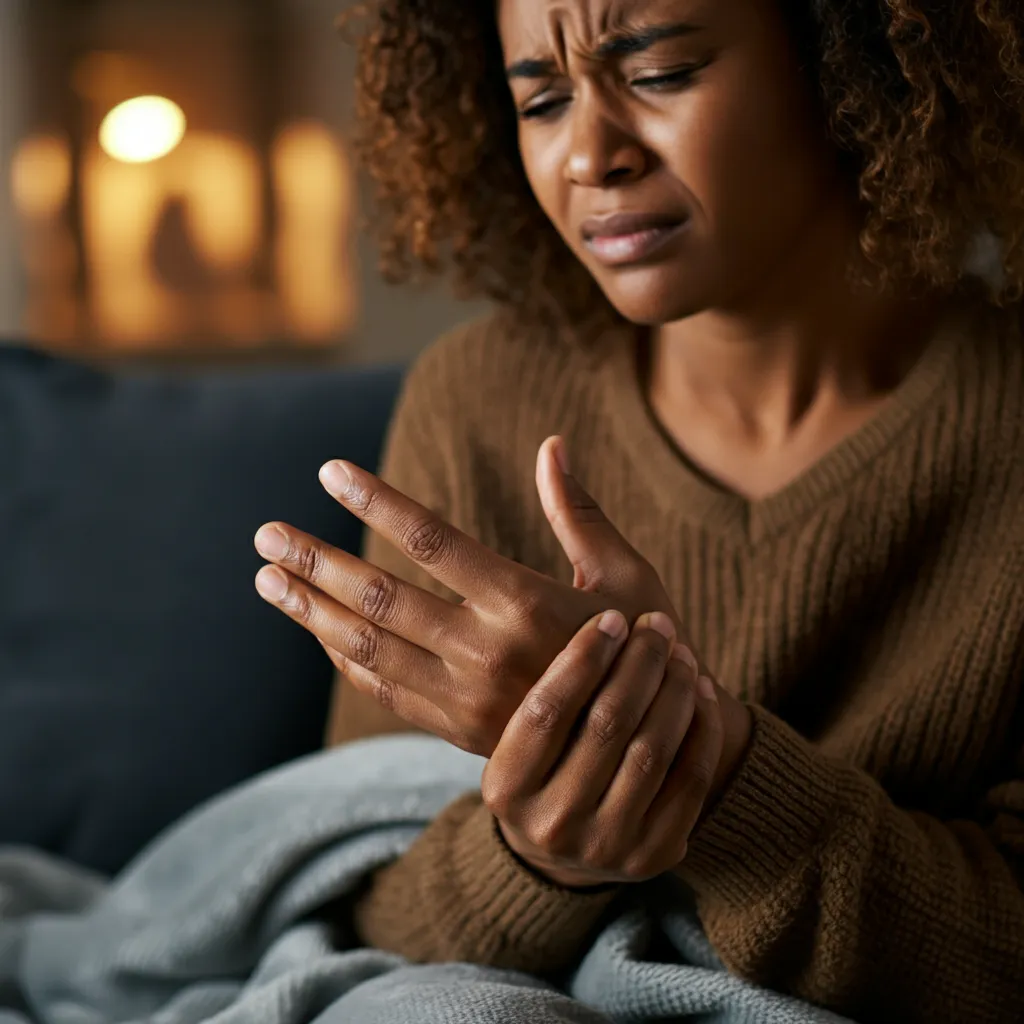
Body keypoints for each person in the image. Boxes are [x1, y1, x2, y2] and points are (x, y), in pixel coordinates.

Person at [252, 0, 1024, 1020]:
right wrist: (538, 852)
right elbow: (367, 910)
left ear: (852, 69)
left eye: (658, 72)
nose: (590, 154)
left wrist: (706, 772)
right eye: (543, 100)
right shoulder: (477, 401)